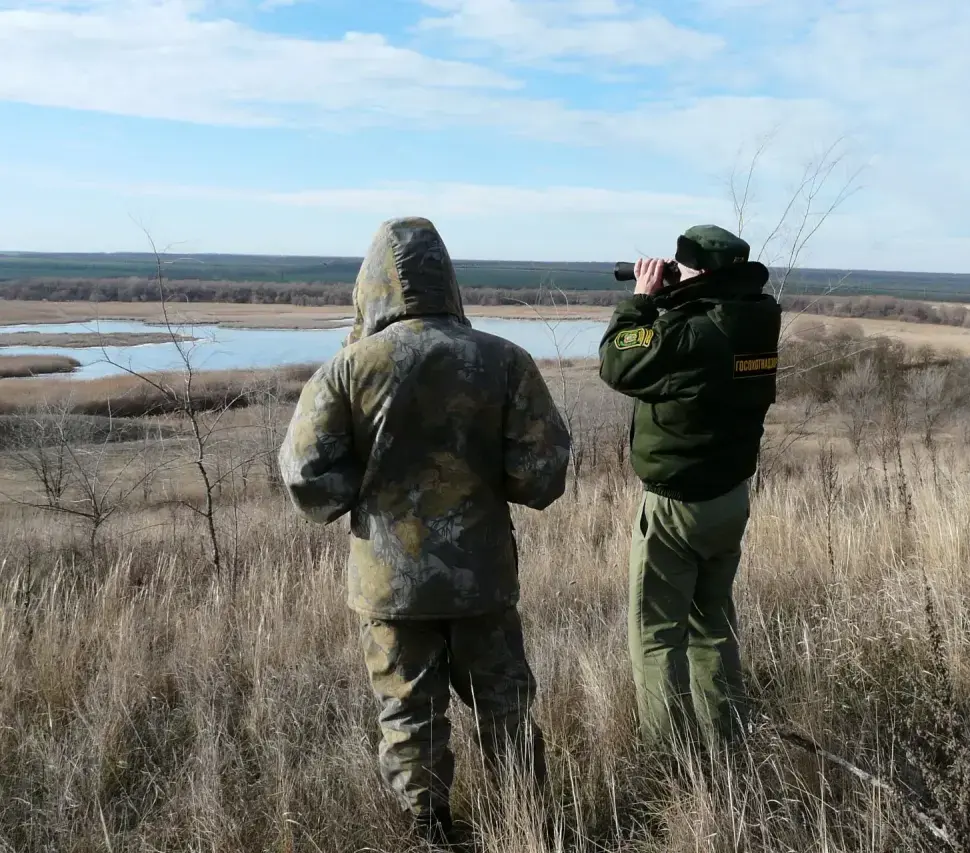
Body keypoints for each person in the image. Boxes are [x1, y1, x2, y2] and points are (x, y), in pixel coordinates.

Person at [278, 216, 571, 846]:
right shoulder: (503, 360)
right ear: (449, 280)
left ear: (369, 284)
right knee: (505, 706)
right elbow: (542, 474)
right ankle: (527, 824)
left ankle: (430, 830)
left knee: (409, 711)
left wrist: (371, 489)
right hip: (481, 576)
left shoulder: (348, 369)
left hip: (390, 581)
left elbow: (307, 477)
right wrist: (484, 478)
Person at [598, 224, 781, 746]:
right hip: (730, 498)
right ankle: (727, 738)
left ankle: (670, 760)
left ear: (699, 273)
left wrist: (642, 301)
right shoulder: (756, 319)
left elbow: (617, 362)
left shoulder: (694, 333)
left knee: (656, 635)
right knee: (713, 625)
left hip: (677, 507)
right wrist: (680, 294)